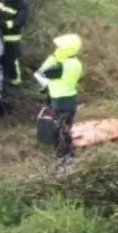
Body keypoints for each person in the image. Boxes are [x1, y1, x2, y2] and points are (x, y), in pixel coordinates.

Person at [34, 33, 83, 168]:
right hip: (67, 100)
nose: (56, 49)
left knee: (61, 133)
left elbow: (42, 73)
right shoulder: (75, 62)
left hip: (62, 103)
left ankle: (65, 162)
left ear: (66, 50)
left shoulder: (61, 67)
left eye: (59, 48)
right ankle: (65, 159)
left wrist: (53, 58)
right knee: (63, 131)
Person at [0, 0, 29, 87]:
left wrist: (3, 23)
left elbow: (19, 22)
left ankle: (15, 80)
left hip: (12, 36)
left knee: (12, 58)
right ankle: (0, 76)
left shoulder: (22, 6)